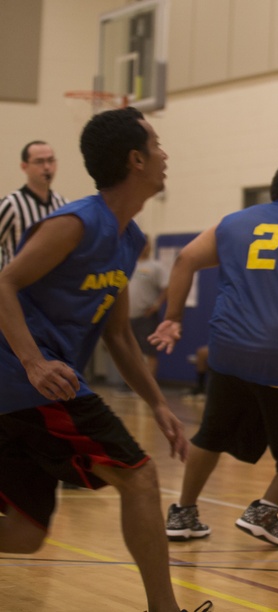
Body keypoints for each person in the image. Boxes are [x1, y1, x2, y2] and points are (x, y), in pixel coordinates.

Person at [0, 108, 210, 612]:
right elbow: (3, 283)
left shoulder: (129, 239)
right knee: (138, 476)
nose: (165, 155)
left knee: (26, 534)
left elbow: (117, 334)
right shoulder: (75, 223)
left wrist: (158, 403)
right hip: (26, 380)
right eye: (157, 145)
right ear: (136, 159)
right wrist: (32, 362)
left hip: (28, 391)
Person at [149, 155, 278, 548]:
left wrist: (173, 318)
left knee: (212, 432)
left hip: (229, 350)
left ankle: (183, 512)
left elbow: (185, 260)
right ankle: (265, 510)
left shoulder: (232, 223)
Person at [0, 140, 69, 270]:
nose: (47, 167)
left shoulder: (63, 205)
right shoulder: (11, 204)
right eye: (39, 162)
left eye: (50, 160)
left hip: (51, 287)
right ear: (24, 167)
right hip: (16, 287)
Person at [128, 238, 167, 377]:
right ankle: (131, 385)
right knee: (130, 352)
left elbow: (167, 287)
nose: (144, 246)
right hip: (127, 317)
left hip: (146, 317)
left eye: (147, 244)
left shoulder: (156, 267)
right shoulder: (128, 264)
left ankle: (149, 386)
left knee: (149, 351)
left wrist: (157, 304)